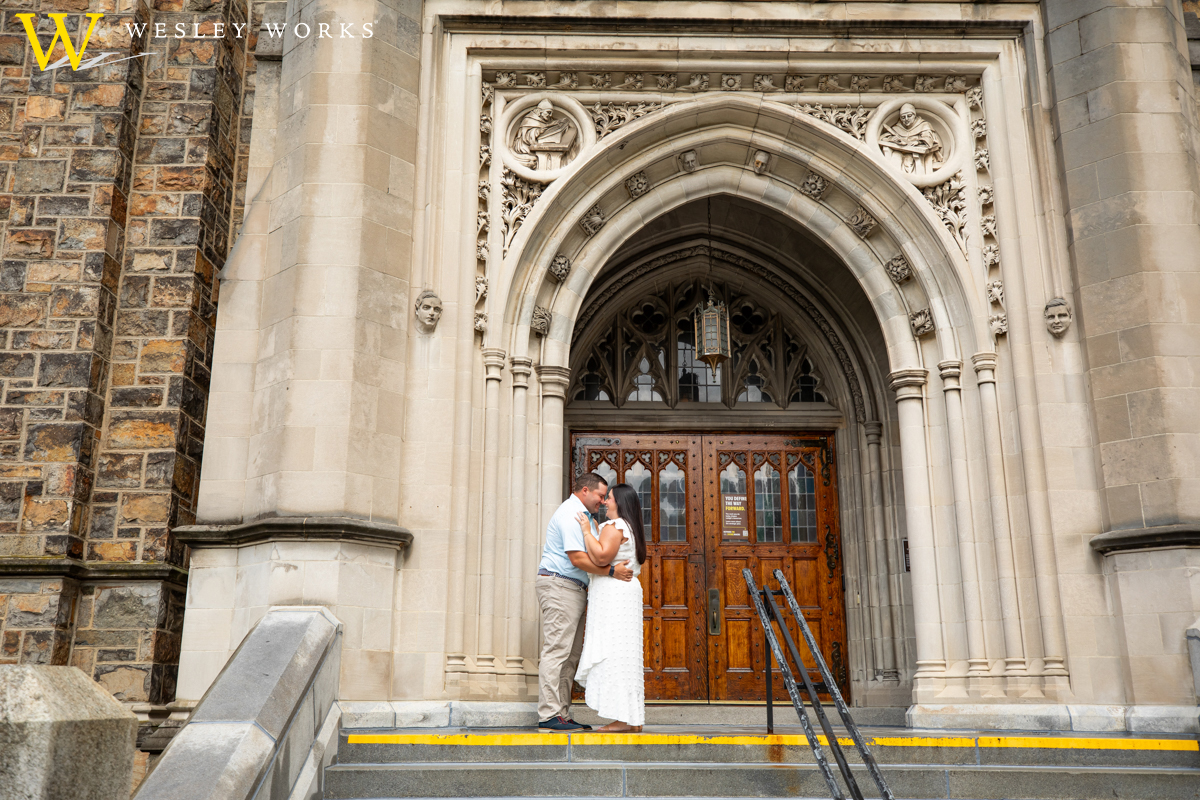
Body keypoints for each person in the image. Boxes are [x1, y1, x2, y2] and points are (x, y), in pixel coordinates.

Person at [536, 473, 634, 732]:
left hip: (575, 588)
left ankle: (562, 714)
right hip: (560, 584)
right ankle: (548, 715)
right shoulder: (571, 513)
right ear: (584, 491)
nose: (603, 502)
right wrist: (612, 572)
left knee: (570, 655)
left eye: (606, 498)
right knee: (557, 650)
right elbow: (577, 559)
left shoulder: (586, 517)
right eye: (600, 496)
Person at [574, 483, 647, 733]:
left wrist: (586, 530)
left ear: (621, 503)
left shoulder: (615, 526)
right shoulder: (631, 527)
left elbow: (601, 557)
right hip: (625, 593)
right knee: (625, 653)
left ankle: (621, 718)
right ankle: (631, 717)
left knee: (614, 652)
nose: (605, 502)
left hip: (613, 595)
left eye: (611, 498)